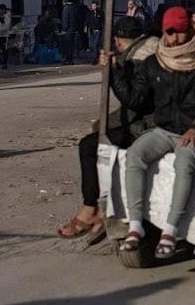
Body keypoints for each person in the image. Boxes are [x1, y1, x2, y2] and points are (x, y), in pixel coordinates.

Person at [111, 6, 195, 260]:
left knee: (185, 161)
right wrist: (114, 73)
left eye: (179, 32)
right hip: (164, 129)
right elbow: (136, 99)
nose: (174, 38)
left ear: (189, 30)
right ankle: (135, 225)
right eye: (170, 32)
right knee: (135, 156)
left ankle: (171, 230)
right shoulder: (156, 62)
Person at [58, 17, 160, 239]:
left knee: (90, 146)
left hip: (148, 127)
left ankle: (91, 208)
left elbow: (135, 103)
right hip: (148, 122)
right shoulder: (148, 48)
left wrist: (114, 71)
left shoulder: (139, 59)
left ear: (118, 40)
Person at [60, 0, 79, 65]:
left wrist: (64, 30)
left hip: (68, 30)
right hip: (73, 29)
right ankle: (70, 59)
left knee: (67, 45)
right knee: (71, 45)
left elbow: (65, 20)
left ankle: (67, 59)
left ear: (64, 2)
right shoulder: (74, 8)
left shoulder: (66, 9)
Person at [86, 0, 104, 64]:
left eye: (94, 6)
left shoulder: (101, 13)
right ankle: (94, 56)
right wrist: (85, 28)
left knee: (95, 45)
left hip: (98, 31)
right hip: (91, 31)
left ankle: (94, 59)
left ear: (97, 6)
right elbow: (87, 21)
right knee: (92, 45)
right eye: (92, 6)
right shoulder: (90, 13)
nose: (93, 7)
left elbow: (103, 22)